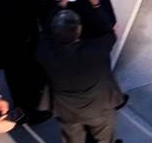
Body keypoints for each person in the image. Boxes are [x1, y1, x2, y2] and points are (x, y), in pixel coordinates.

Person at [36, 9, 121, 143]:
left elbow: (44, 33)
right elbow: (111, 33)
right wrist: (97, 5)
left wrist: (61, 4)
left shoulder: (45, 54)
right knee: (104, 139)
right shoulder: (96, 49)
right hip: (99, 107)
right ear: (78, 31)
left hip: (66, 111)